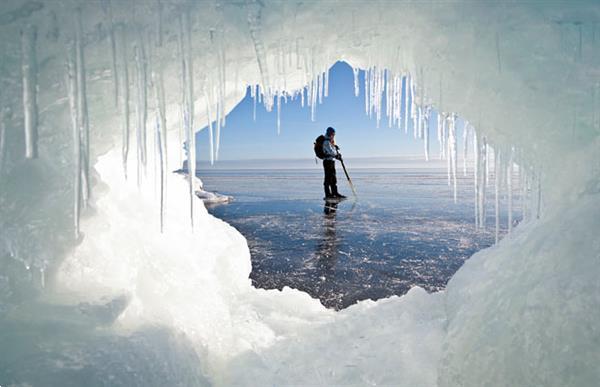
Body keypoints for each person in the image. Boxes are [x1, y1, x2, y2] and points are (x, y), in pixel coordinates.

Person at [322, 127, 346, 199]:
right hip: (327, 162)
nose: (333, 135)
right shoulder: (326, 142)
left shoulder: (330, 141)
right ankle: (328, 194)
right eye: (333, 134)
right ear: (330, 133)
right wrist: (337, 155)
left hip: (331, 161)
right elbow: (331, 152)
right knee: (328, 178)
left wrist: (335, 148)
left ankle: (335, 192)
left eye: (334, 134)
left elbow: (332, 151)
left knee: (333, 178)